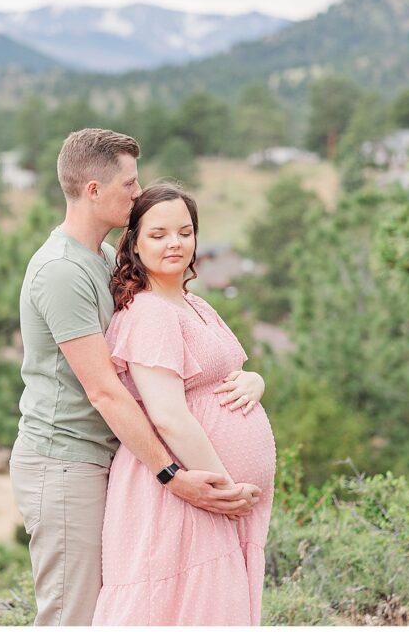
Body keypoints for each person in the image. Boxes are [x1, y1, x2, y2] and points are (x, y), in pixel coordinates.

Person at [9, 129, 263, 626]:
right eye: (129, 183)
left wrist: (252, 383)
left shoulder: (103, 260)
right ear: (94, 190)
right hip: (66, 464)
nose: (136, 191)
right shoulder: (62, 271)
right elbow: (104, 391)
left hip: (106, 462)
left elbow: (174, 351)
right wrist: (172, 475)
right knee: (72, 615)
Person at [92, 182, 276, 625]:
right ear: (134, 243)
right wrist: (226, 487)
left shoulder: (195, 304)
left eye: (185, 231)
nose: (175, 243)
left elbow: (227, 372)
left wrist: (256, 381)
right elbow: (169, 417)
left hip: (209, 493)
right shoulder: (150, 312)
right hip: (182, 495)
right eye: (158, 234)